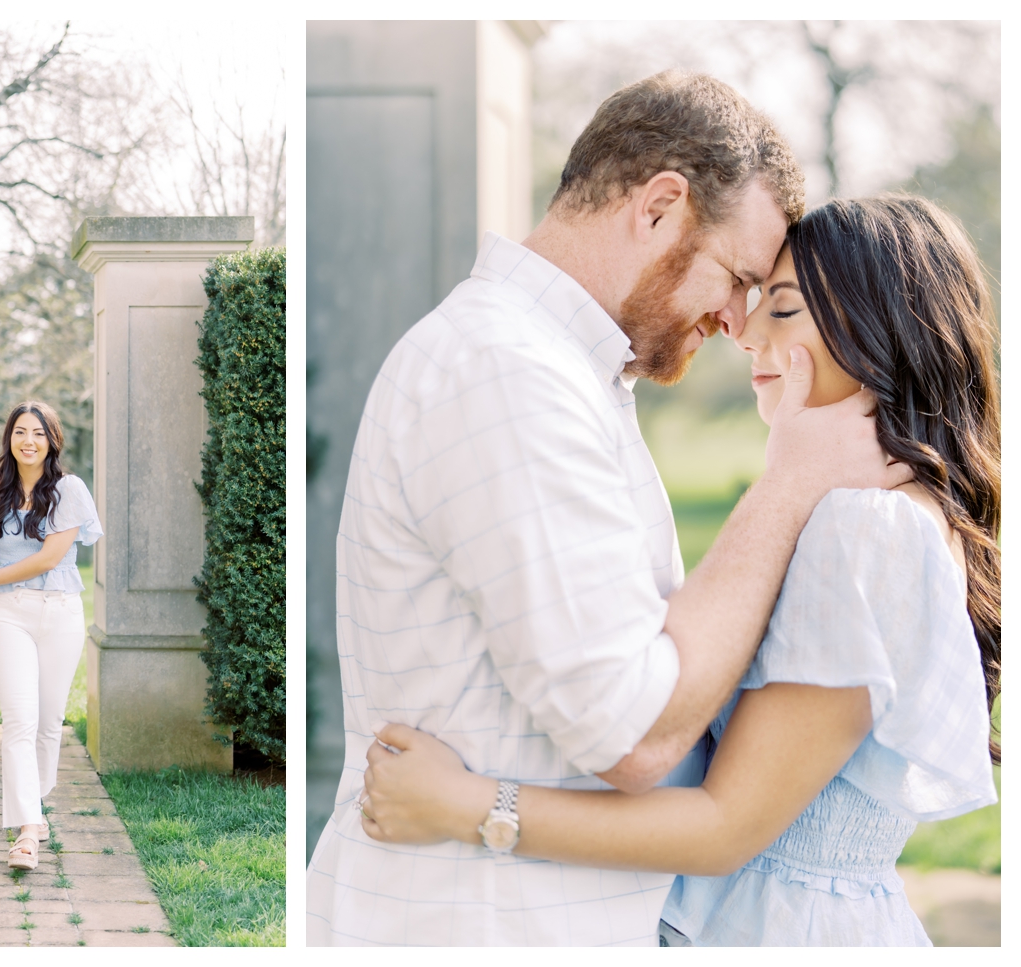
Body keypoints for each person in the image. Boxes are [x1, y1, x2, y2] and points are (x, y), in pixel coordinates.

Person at [305, 70, 910, 946]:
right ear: (660, 206)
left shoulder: (563, 375)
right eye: (738, 278)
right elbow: (633, 730)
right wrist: (789, 484)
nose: (740, 324)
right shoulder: (505, 373)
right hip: (480, 931)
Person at [359, 195, 1001, 946]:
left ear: (876, 329)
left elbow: (725, 825)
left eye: (783, 310)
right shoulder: (893, 512)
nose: (748, 332)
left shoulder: (868, 529)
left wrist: (466, 806)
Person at [0, 401, 102, 871]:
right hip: (11, 614)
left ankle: (33, 812)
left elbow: (48, 557)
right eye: (20, 431)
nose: (29, 441)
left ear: (52, 440)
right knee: (19, 720)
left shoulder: (69, 490)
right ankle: (26, 832)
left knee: (48, 722)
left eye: (38, 433)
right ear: (9, 438)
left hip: (60, 611)